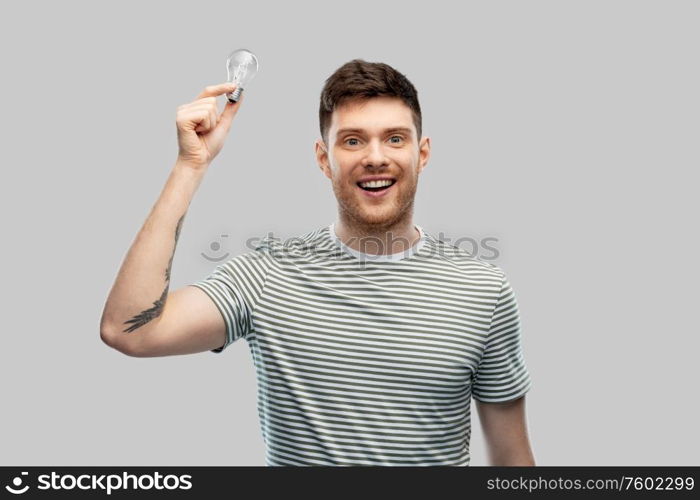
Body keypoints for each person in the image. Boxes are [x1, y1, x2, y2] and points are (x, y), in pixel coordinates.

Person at [100, 59, 535, 466]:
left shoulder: (484, 289)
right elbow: (128, 331)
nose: (376, 157)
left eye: (395, 138)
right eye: (352, 140)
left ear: (422, 154)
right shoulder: (265, 276)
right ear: (324, 160)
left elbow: (511, 457)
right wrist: (190, 166)